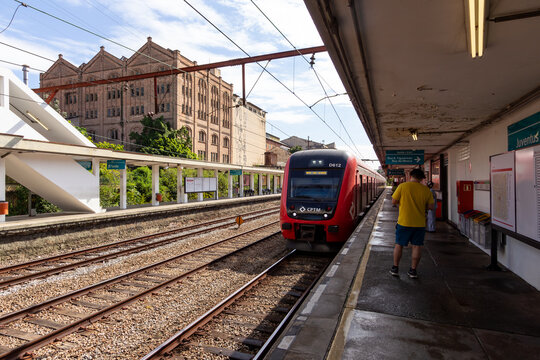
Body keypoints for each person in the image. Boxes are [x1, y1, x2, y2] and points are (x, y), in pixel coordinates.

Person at [390, 168, 434, 279]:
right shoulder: (426, 190)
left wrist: (404, 203)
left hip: (404, 222)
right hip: (419, 224)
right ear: (421, 179)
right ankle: (413, 271)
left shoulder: (402, 186)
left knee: (399, 245)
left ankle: (395, 268)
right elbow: (430, 207)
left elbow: (394, 201)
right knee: (417, 246)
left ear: (410, 176)